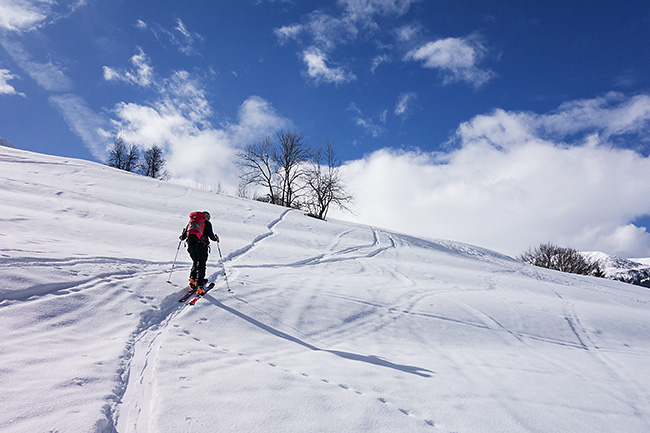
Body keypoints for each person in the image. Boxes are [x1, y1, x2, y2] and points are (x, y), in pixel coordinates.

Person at [179, 211, 219, 295]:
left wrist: (182, 237)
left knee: (195, 261)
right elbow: (211, 236)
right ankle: (200, 286)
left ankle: (192, 279)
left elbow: (184, 236)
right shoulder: (207, 223)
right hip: (201, 246)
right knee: (201, 264)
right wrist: (216, 238)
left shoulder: (191, 222)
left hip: (191, 246)